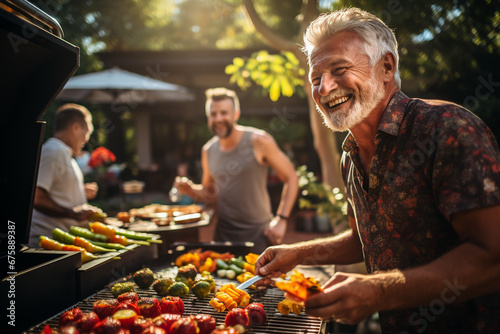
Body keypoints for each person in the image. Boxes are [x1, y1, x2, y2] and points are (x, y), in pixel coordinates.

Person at [255, 8, 500, 333]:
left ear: (386, 67)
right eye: (316, 79)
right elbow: (367, 240)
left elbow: (493, 257)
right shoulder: (350, 156)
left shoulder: (446, 128)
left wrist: (377, 291)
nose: (324, 88)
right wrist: (298, 254)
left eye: (339, 69)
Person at [174, 87, 299, 253]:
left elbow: (291, 177)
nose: (218, 118)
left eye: (224, 112)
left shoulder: (258, 140)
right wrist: (189, 190)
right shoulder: (208, 150)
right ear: (208, 117)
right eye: (213, 114)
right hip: (222, 238)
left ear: (236, 114)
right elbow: (210, 194)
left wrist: (282, 219)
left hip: (259, 236)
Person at [29, 103, 100, 247]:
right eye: (87, 134)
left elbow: (52, 189)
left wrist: (79, 191)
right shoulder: (54, 151)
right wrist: (74, 214)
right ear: (75, 128)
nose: (86, 140)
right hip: (47, 243)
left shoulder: (63, 153)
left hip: (59, 242)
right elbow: (36, 198)